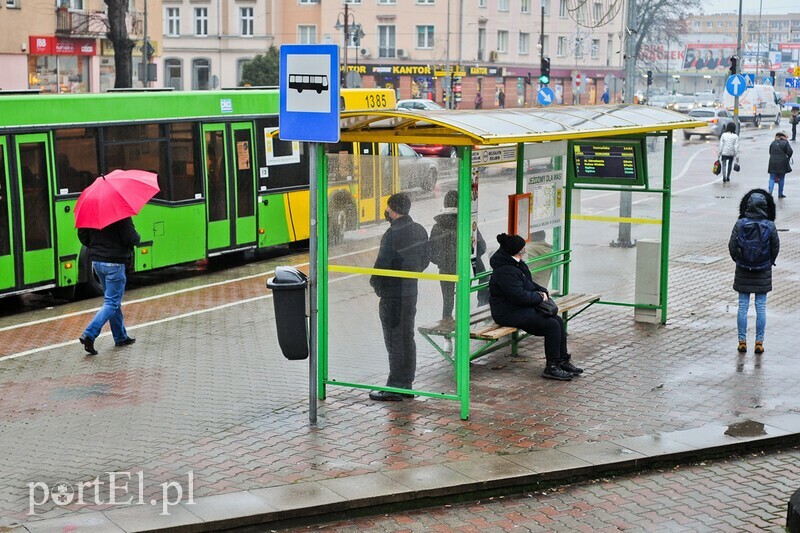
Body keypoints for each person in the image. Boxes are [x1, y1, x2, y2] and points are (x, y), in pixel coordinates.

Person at [488, 233, 582, 381]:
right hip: (507, 312)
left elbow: (529, 285)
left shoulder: (517, 264)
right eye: (522, 249)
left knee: (557, 320)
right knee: (551, 325)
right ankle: (551, 367)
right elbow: (518, 296)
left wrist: (542, 291)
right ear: (515, 251)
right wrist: (539, 297)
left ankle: (562, 361)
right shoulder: (505, 271)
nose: (524, 251)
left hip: (518, 308)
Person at [369, 193, 430, 401]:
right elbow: (424, 261)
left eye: (387, 207)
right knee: (407, 336)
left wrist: (377, 285)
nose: (386, 211)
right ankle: (407, 384)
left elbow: (382, 265)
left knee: (394, 339)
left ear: (393, 210)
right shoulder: (419, 230)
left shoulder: (392, 233)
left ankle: (395, 386)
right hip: (410, 293)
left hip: (392, 295)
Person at [428, 190, 488, 352]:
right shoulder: (467, 222)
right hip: (466, 269)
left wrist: (444, 261)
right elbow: (481, 248)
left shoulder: (437, 226)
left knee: (447, 303)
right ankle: (464, 333)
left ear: (445, 204)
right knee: (464, 302)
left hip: (446, 270)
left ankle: (448, 340)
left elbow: (431, 252)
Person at [78, 217, 140, 355]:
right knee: (111, 302)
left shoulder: (91, 214)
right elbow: (132, 238)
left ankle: (120, 337)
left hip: (97, 262)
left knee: (112, 301)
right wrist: (137, 237)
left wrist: (96, 246)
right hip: (115, 263)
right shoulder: (121, 215)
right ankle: (89, 334)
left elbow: (82, 236)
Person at [728, 189, 779, 354]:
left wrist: (738, 259)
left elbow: (732, 245)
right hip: (763, 269)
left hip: (743, 268)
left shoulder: (740, 223)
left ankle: (742, 341)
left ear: (748, 205)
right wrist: (769, 262)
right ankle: (759, 342)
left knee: (742, 306)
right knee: (761, 306)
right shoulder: (770, 226)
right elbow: (775, 247)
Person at [767, 131, 793, 199]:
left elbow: (770, 152)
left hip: (772, 162)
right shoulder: (785, 143)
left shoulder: (773, 142)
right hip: (782, 162)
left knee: (772, 178)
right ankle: (780, 193)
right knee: (781, 178)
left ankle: (770, 192)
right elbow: (790, 152)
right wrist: (788, 157)